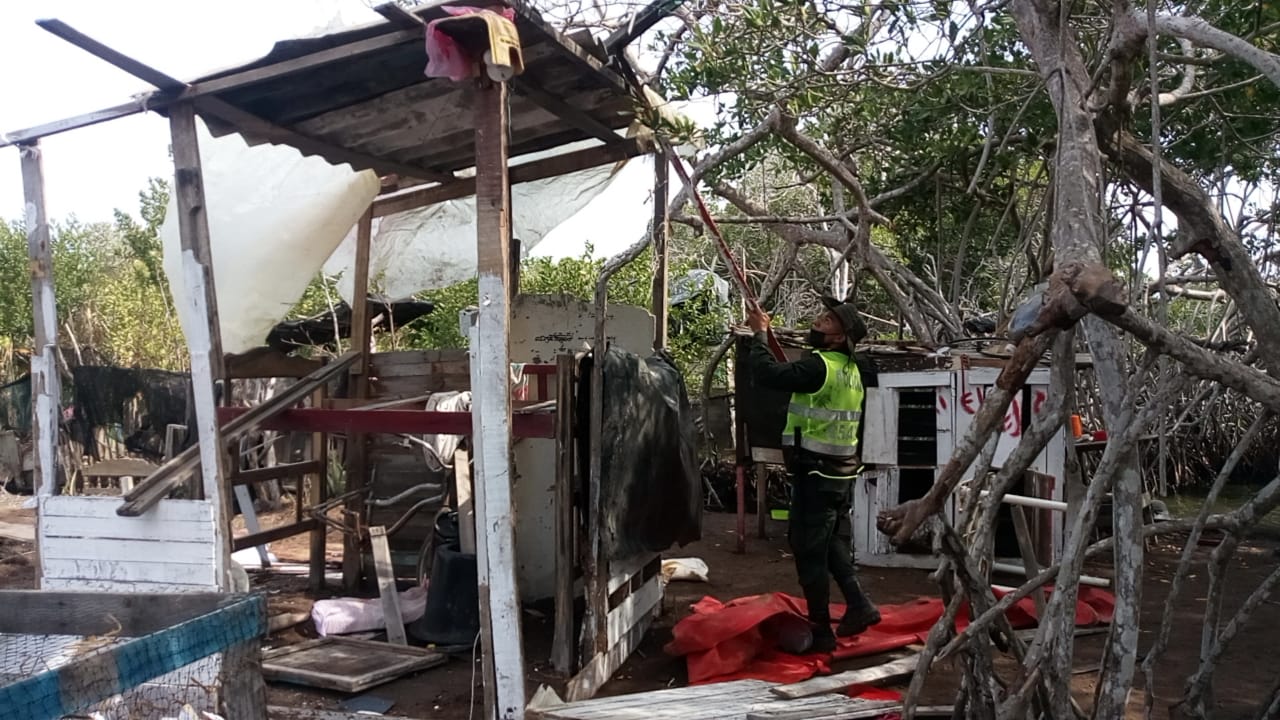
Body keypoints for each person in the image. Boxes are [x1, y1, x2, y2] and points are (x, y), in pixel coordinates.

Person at [746, 297, 881, 653]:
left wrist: (759, 336)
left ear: (839, 338)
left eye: (828, 320)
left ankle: (821, 630)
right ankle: (858, 603)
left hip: (817, 473)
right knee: (826, 541)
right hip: (839, 474)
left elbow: (766, 375)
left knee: (807, 549)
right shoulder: (851, 369)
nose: (819, 321)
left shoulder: (819, 368)